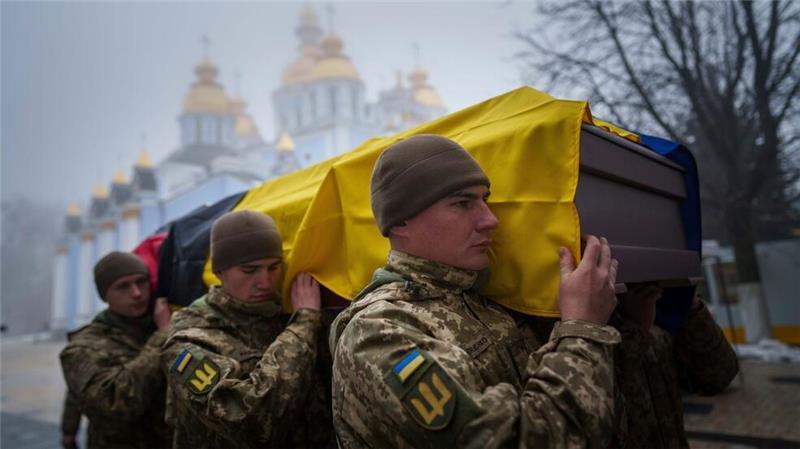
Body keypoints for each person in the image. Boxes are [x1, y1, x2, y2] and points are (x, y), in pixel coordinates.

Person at [330, 134, 622, 448]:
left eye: (485, 200)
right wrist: (582, 328)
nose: (490, 219)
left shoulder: (483, 298)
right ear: (400, 220)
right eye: (462, 203)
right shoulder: (378, 332)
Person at [161, 210, 332, 448]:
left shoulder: (283, 312)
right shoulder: (187, 339)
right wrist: (304, 324)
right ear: (219, 272)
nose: (265, 282)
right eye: (250, 271)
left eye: (274, 267)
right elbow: (248, 421)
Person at [60, 251, 172, 449]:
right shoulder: (83, 347)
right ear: (105, 295)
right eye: (123, 286)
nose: (137, 293)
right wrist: (69, 429)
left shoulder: (161, 323)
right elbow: (113, 404)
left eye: (141, 282)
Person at [612, 284, 739, 448]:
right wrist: (636, 329)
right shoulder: (586, 327)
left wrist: (688, 302)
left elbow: (719, 376)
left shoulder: (663, 318)